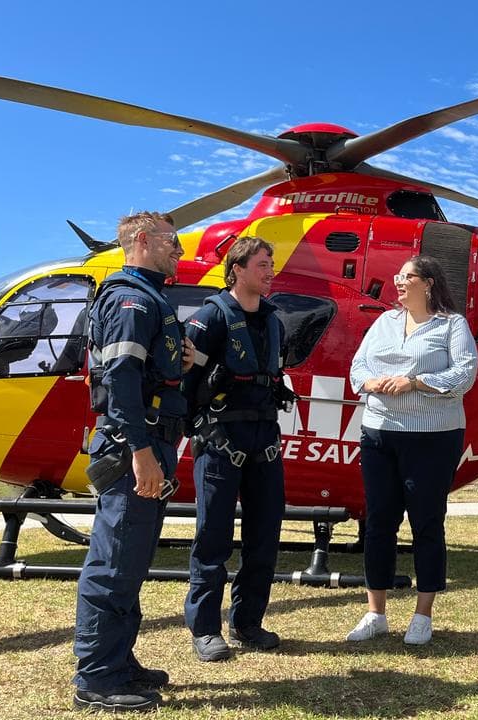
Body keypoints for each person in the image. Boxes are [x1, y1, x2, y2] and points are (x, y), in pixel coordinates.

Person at [73, 211, 193, 712]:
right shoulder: (130, 300)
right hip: (132, 449)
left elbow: (142, 373)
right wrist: (142, 454)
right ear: (142, 241)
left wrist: (179, 362)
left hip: (147, 443)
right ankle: (97, 678)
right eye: (172, 242)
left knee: (132, 560)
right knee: (114, 563)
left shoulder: (147, 299)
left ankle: (119, 662)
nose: (179, 251)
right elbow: (121, 384)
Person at [345, 255, 478, 645]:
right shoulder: (383, 322)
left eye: (407, 277)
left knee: (426, 523)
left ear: (429, 283)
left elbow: (465, 373)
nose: (398, 283)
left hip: (432, 436)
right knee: (378, 523)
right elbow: (357, 366)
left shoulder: (452, 325)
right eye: (398, 277)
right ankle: (376, 613)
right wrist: (369, 384)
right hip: (378, 433)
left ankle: (423, 615)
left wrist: (415, 383)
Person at [182, 236, 291, 661]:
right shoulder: (209, 319)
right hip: (219, 442)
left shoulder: (273, 322)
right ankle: (206, 629)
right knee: (213, 539)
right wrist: (200, 429)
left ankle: (248, 621)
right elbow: (187, 386)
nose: (269, 271)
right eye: (262, 264)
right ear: (238, 269)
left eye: (271, 263)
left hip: (264, 440)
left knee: (264, 536)